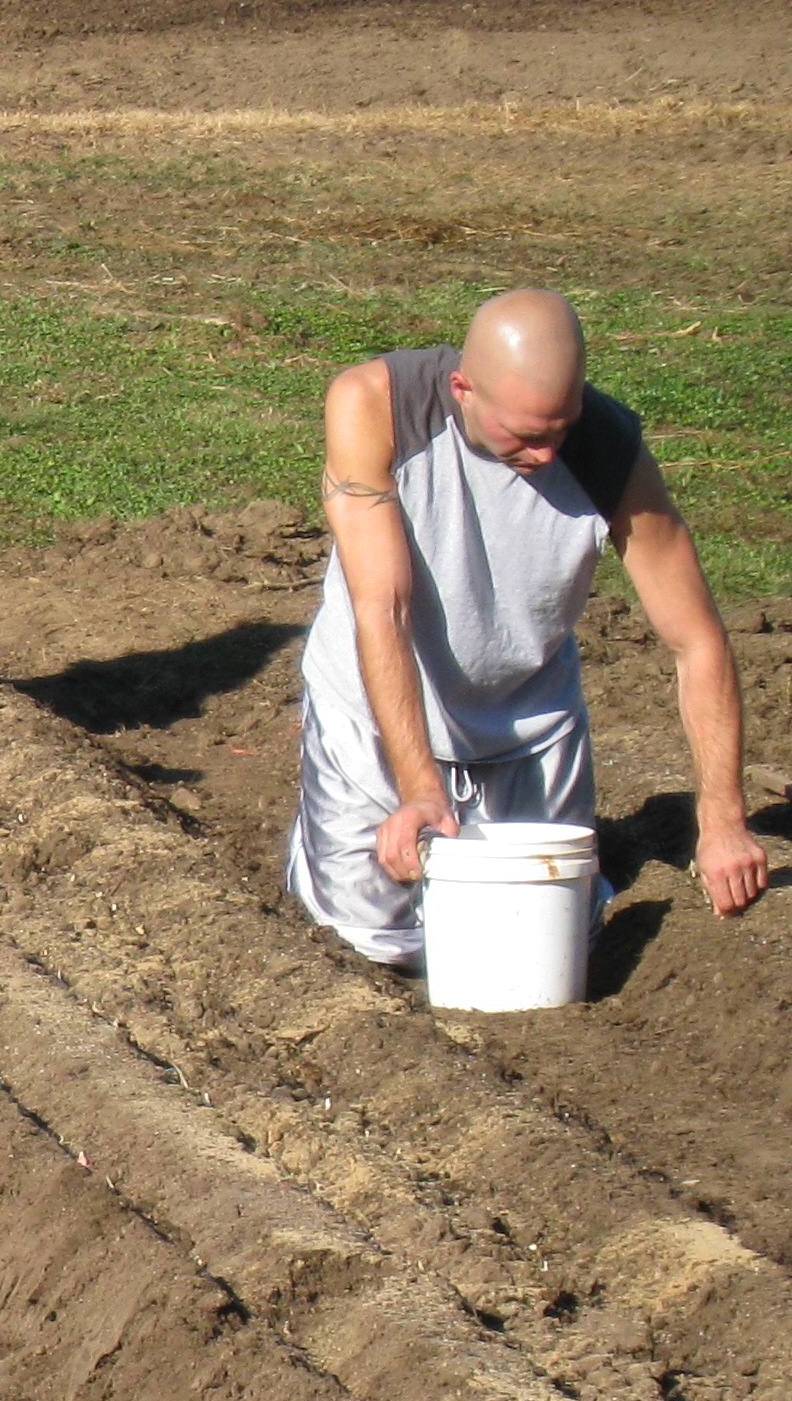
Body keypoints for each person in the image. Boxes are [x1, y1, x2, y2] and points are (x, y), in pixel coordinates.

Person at [288, 287, 767, 964]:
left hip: (528, 722)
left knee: (543, 941)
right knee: (372, 943)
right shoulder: (375, 406)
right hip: (376, 712)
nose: (546, 455)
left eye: (560, 430)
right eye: (526, 434)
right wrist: (420, 790)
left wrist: (722, 822)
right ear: (463, 388)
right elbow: (382, 610)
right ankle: (318, 858)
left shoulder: (607, 449)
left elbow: (697, 639)